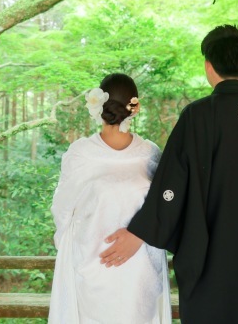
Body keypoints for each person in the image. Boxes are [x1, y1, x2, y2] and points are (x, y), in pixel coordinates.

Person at [99, 25, 238, 323]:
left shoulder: (198, 116)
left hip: (212, 260)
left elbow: (172, 186)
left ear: (208, 65)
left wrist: (141, 231)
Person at [48, 73, 172, 324]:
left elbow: (62, 210)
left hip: (139, 273)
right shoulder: (82, 152)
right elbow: (63, 211)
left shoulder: (149, 153)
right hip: (93, 268)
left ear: (97, 106)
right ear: (134, 106)